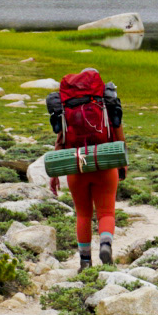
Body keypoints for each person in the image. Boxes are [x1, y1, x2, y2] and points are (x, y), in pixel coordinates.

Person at [45, 68, 125, 267]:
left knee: (83, 214)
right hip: (104, 162)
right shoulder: (105, 103)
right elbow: (118, 134)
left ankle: (85, 261)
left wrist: (55, 174)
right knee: (106, 212)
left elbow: (60, 140)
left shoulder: (67, 106)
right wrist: (122, 163)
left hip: (76, 165)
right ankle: (106, 244)